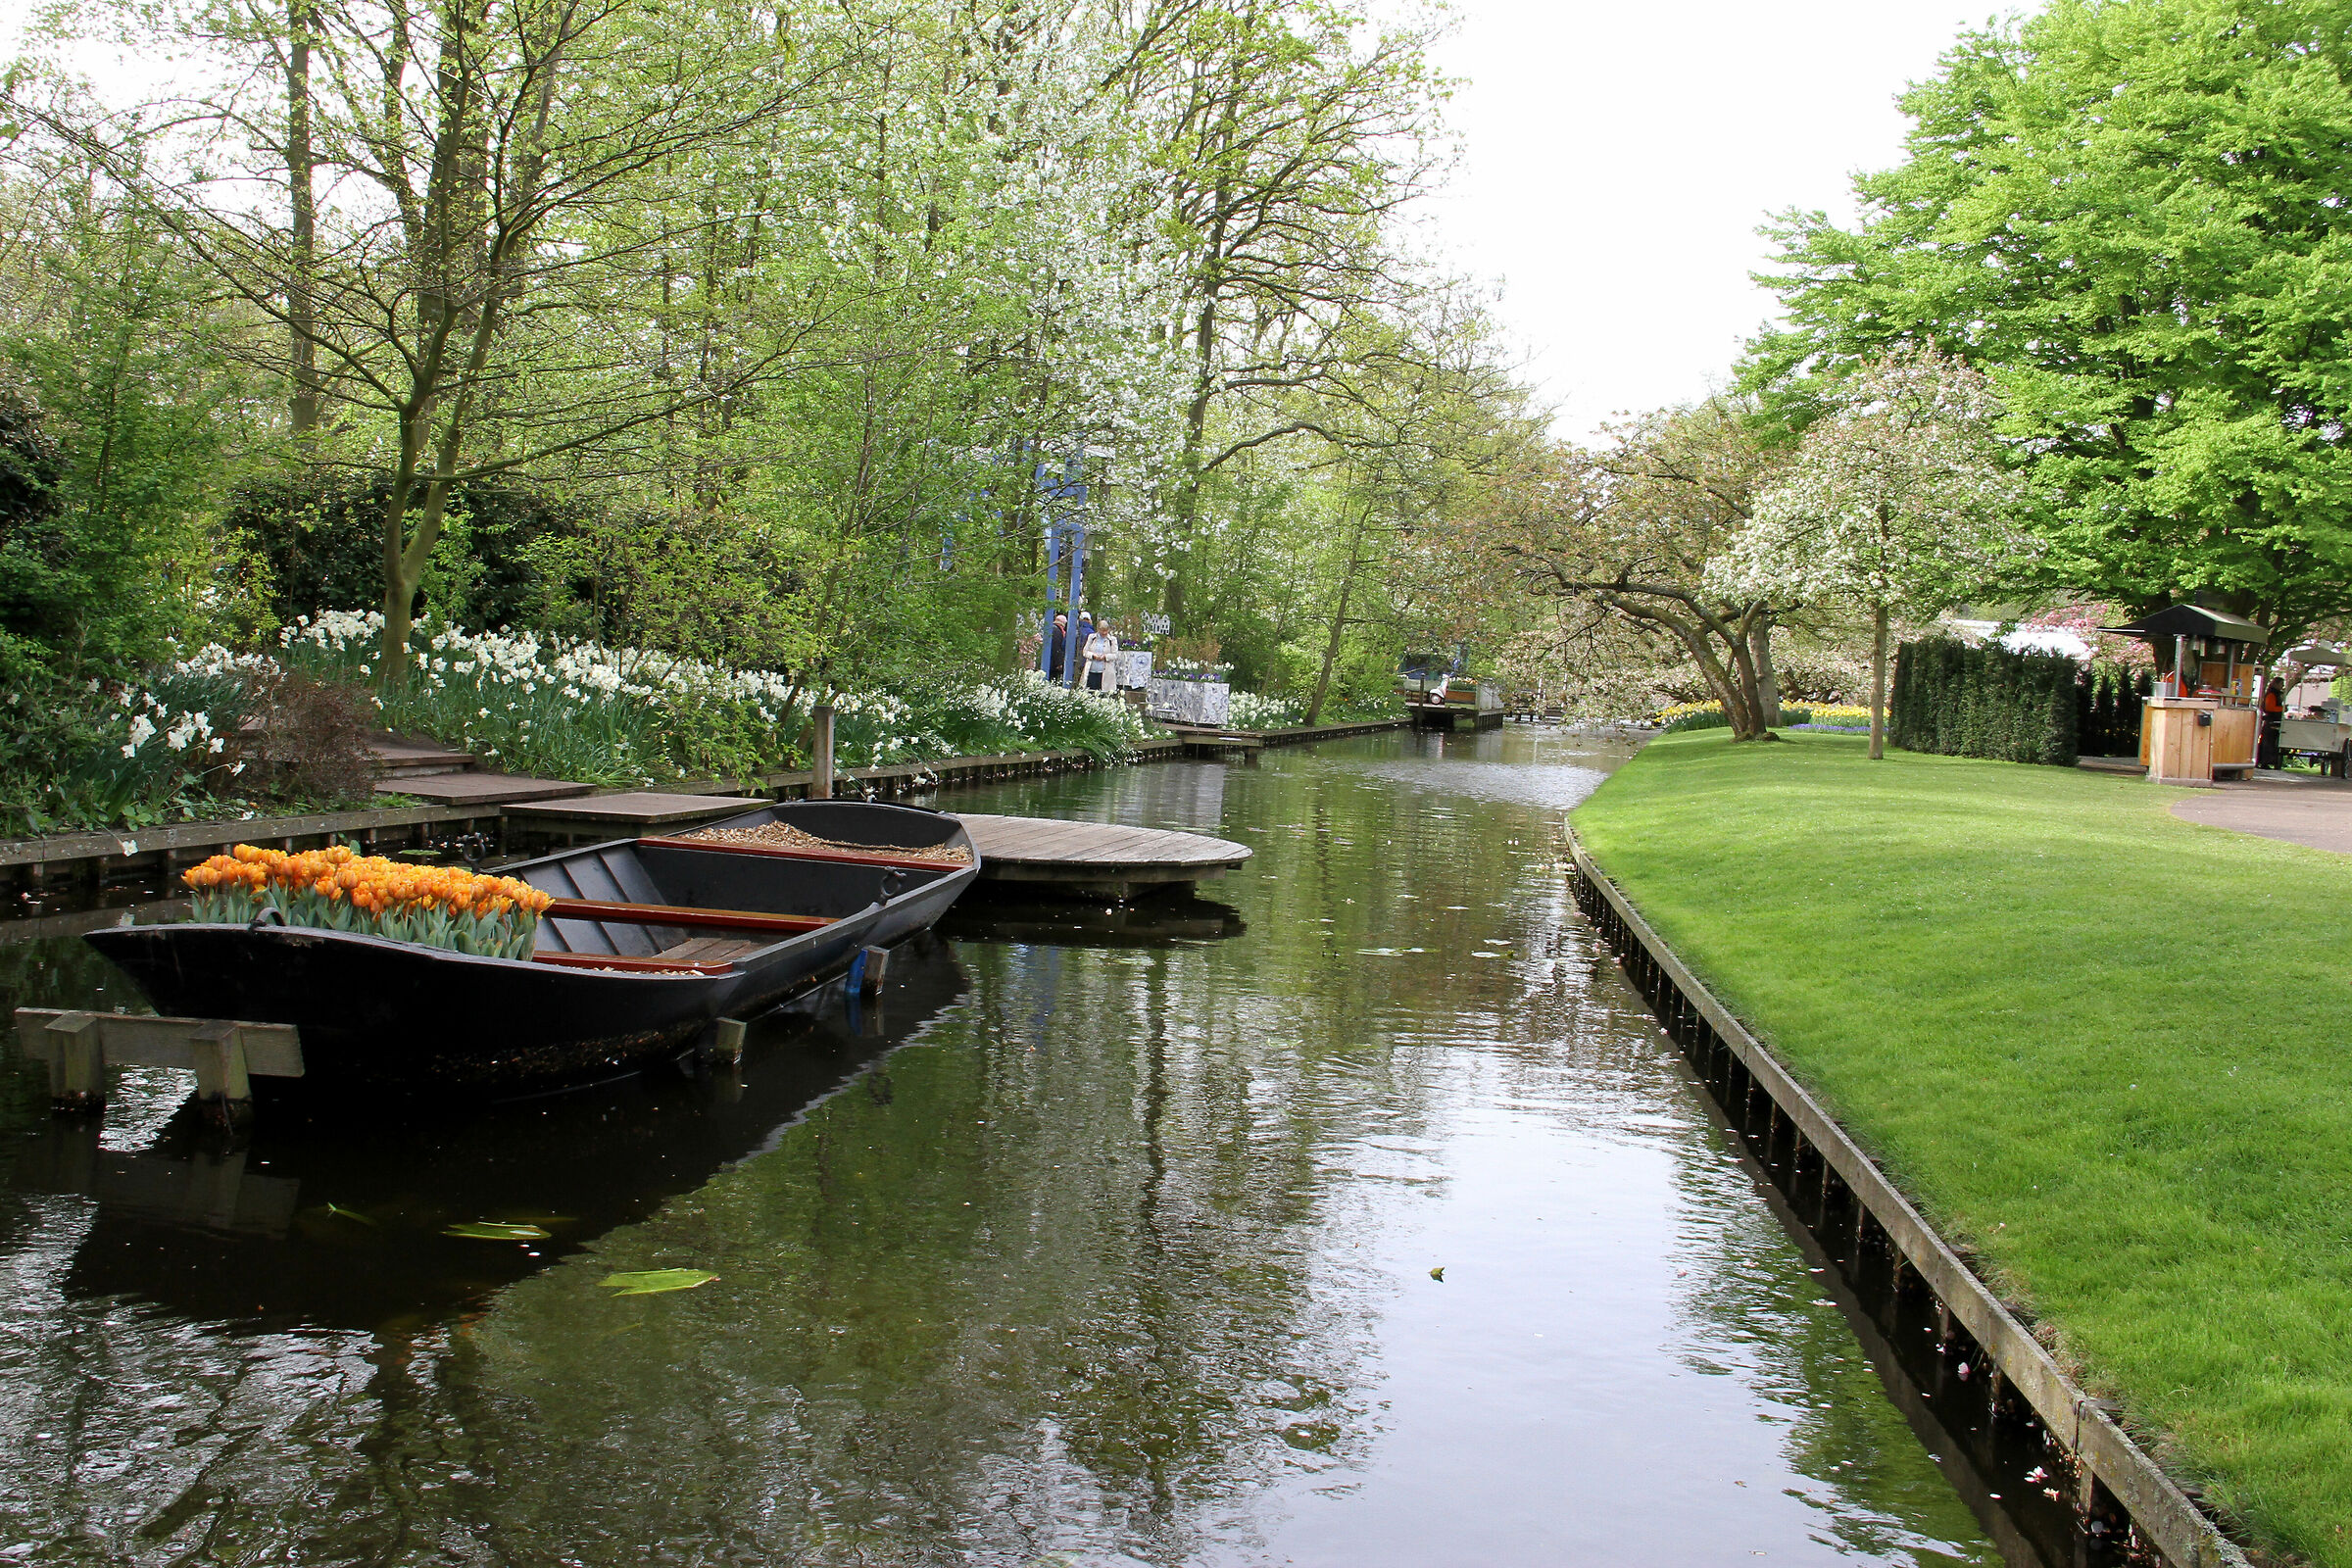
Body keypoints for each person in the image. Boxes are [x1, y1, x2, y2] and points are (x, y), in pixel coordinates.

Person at [1083, 619, 1119, 692]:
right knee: (1090, 692)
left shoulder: (1112, 640)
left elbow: (1115, 655)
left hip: (1105, 672)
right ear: (1098, 629)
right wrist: (1093, 656)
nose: (1104, 633)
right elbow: (1085, 652)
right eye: (1102, 630)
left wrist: (1105, 657)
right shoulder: (1092, 637)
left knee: (1103, 693)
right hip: (1092, 670)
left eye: (1106, 630)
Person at [2260, 681, 2284, 769]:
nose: (2283, 686)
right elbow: (2269, 708)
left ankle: (2267, 761)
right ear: (2276, 684)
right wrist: (2282, 708)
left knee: (2270, 742)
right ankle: (2265, 761)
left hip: (2272, 720)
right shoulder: (2272, 694)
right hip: (2271, 721)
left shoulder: (2273, 694)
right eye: (2281, 684)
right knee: (2268, 742)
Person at [1045, 612, 1069, 681]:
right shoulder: (1057, 631)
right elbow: (1056, 647)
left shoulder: (1051, 628)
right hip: (1053, 662)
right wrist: (1059, 663)